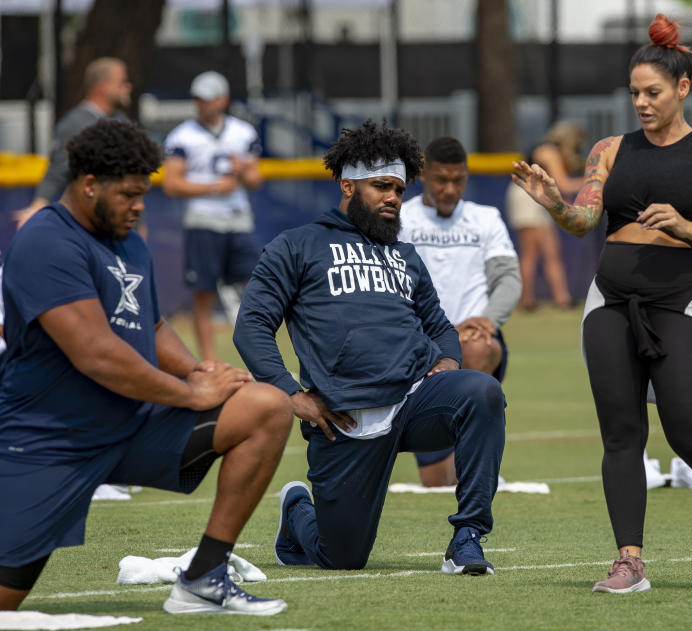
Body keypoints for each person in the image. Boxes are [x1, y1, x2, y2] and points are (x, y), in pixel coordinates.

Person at [0, 119, 292, 615]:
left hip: (129, 428)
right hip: (48, 440)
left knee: (266, 406)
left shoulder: (128, 239)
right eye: (129, 194)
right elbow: (96, 353)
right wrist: (191, 395)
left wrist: (198, 370)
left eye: (145, 194)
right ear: (89, 184)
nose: (140, 206)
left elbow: (148, 327)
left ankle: (204, 576)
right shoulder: (47, 240)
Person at [511, 14, 692, 593]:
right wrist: (554, 202)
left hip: (679, 303)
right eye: (634, 94)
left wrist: (687, 226)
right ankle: (629, 560)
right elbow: (583, 222)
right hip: (610, 302)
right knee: (621, 434)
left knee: (690, 435)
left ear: (682, 88)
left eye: (653, 92)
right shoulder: (608, 151)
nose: (642, 104)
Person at [234, 120, 506, 576]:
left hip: (413, 401)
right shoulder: (297, 245)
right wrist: (289, 393)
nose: (393, 198)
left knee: (481, 393)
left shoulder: (404, 254)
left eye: (399, 189)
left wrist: (447, 361)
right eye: (381, 186)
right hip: (344, 419)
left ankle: (467, 537)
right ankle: (297, 510)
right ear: (347, 185)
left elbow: (440, 326)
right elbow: (252, 325)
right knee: (342, 558)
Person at [398, 136, 521, 487]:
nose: (450, 189)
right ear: (423, 175)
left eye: (458, 180)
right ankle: (458, 466)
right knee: (436, 482)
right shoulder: (402, 218)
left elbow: (509, 280)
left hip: (473, 334)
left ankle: (478, 470)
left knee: (477, 347)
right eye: (441, 180)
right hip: (420, 342)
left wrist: (489, 319)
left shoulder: (485, 218)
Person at [162, 70, 263, 361]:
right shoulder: (182, 136)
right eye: (197, 99)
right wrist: (216, 187)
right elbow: (171, 183)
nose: (201, 104)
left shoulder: (243, 132)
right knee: (203, 294)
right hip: (203, 220)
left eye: (206, 99)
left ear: (222, 100)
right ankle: (209, 362)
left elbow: (256, 180)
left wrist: (242, 170)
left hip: (238, 219)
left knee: (255, 289)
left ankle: (260, 357)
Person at [13, 57, 132, 229]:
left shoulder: (122, 121)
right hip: (93, 223)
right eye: (122, 82)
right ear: (103, 86)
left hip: (122, 222)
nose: (128, 87)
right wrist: (38, 204)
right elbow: (56, 172)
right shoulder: (77, 124)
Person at [504, 122, 580, 310]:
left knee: (550, 250)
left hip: (536, 197)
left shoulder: (548, 151)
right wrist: (594, 181)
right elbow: (563, 184)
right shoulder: (549, 151)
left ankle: (560, 298)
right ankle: (528, 300)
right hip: (528, 195)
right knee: (532, 252)